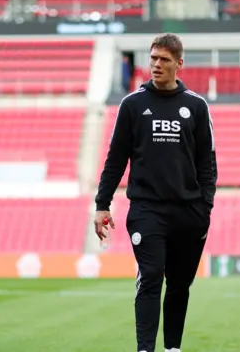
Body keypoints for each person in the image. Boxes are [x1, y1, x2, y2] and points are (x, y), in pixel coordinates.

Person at [94, 33, 217, 352]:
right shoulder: (133, 104)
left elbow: (207, 161)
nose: (156, 65)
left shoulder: (196, 106)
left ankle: (172, 348)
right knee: (150, 277)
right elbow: (115, 157)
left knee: (179, 285)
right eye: (153, 58)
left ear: (179, 63)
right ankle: (145, 348)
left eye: (163, 59)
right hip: (147, 210)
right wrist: (102, 204)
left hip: (189, 212)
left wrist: (205, 207)